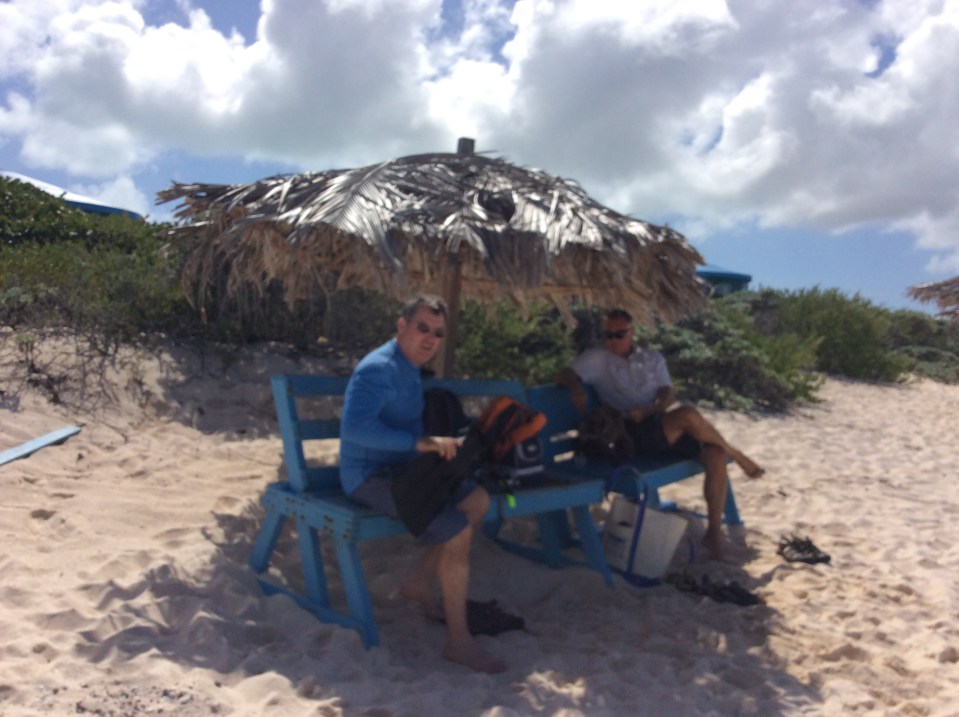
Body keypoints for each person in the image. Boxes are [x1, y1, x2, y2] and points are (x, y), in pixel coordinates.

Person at [339, 294, 506, 674]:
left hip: (405, 469)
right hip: (369, 477)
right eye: (422, 328)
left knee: (477, 499)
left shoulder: (410, 366)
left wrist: (446, 452)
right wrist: (422, 444)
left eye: (438, 333)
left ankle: (418, 581)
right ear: (402, 326)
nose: (430, 338)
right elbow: (355, 428)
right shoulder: (377, 369)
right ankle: (459, 642)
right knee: (457, 530)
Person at [555, 308, 764, 559]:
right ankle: (738, 455)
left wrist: (651, 409)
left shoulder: (651, 357)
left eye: (619, 334)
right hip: (629, 431)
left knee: (716, 455)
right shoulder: (597, 359)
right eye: (608, 335)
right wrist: (576, 386)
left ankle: (714, 534)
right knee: (687, 415)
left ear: (631, 333)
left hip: (656, 422)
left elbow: (668, 393)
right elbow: (563, 373)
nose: (613, 340)